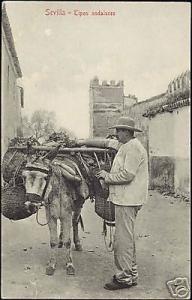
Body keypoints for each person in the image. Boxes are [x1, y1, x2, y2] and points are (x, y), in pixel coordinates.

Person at [96, 116, 149, 290]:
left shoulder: (132, 148)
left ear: (127, 132)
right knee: (127, 239)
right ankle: (131, 274)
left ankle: (124, 278)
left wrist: (106, 176)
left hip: (128, 200)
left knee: (122, 241)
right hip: (127, 199)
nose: (116, 134)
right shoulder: (128, 146)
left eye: (119, 130)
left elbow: (127, 175)